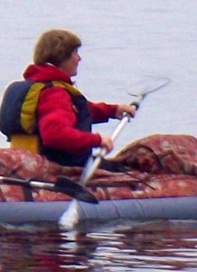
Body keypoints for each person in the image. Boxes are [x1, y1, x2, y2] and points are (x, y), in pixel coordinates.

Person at [12, 29, 135, 168]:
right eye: (75, 53)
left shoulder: (40, 85)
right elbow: (55, 134)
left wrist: (112, 111)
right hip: (65, 165)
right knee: (129, 173)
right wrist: (98, 140)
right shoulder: (54, 93)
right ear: (62, 57)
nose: (79, 58)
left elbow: (74, 110)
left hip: (37, 159)